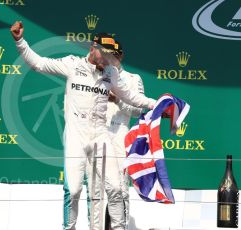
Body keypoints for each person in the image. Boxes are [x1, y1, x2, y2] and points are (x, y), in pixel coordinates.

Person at [10, 21, 156, 230]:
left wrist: (158, 105)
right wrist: (19, 40)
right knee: (75, 189)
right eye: (104, 54)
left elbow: (131, 97)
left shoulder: (111, 73)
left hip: (100, 135)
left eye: (111, 56)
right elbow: (38, 63)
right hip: (76, 136)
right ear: (92, 49)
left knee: (115, 188)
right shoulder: (73, 64)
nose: (108, 60)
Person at [88, 40, 145, 230]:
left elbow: (138, 111)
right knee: (95, 188)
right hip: (98, 133)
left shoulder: (133, 78)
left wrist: (118, 100)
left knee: (121, 189)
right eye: (110, 54)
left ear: (121, 56)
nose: (114, 58)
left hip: (120, 133)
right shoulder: (97, 75)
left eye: (117, 55)